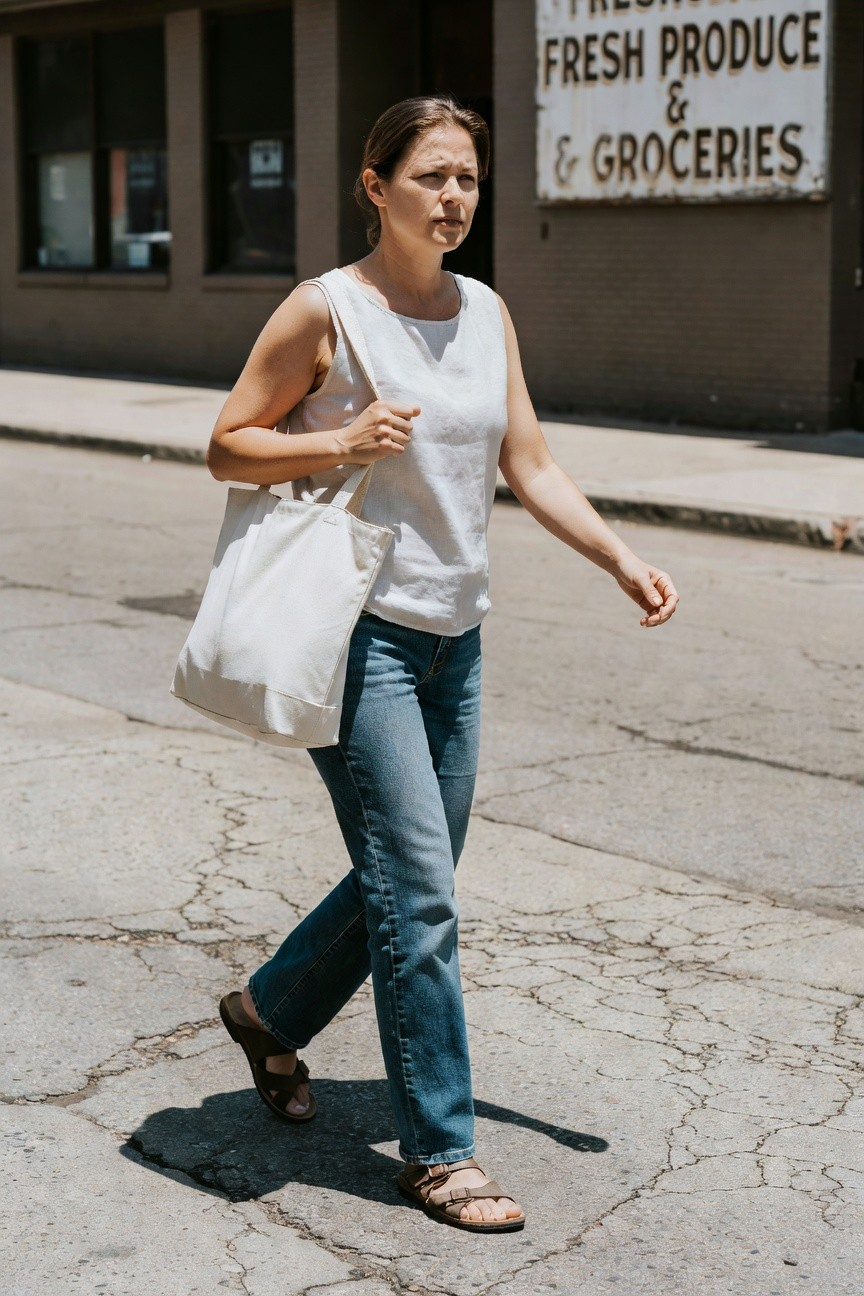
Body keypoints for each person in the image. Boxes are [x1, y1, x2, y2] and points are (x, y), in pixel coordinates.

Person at [207, 95, 679, 1234]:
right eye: (431, 177)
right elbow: (228, 442)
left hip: (454, 642)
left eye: (469, 178)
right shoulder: (328, 310)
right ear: (376, 187)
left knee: (411, 879)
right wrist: (338, 437)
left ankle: (269, 1011)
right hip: (358, 638)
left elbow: (529, 459)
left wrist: (618, 555)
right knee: (417, 894)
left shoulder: (485, 313)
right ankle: (440, 1151)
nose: (455, 197)